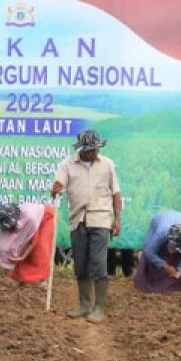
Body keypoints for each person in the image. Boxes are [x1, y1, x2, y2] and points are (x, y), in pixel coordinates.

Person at [50, 130, 122, 324]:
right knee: (80, 264)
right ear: (82, 149)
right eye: (91, 149)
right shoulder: (67, 165)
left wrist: (117, 220)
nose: (94, 152)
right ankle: (84, 304)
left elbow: (116, 194)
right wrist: (55, 189)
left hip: (100, 219)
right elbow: (57, 187)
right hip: (78, 220)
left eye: (97, 148)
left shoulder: (107, 164)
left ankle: (99, 308)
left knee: (98, 263)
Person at [134, 210, 181, 295]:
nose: (173, 252)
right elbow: (149, 251)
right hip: (159, 220)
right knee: (148, 249)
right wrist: (164, 265)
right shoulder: (162, 233)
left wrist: (180, 270)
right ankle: (144, 282)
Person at [0, 201, 56, 285]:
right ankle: (19, 278)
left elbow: (32, 241)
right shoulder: (7, 220)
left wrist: (22, 256)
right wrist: (6, 265)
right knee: (20, 247)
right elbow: (4, 245)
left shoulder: (30, 218)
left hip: (46, 216)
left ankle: (42, 279)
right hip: (32, 221)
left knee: (41, 248)